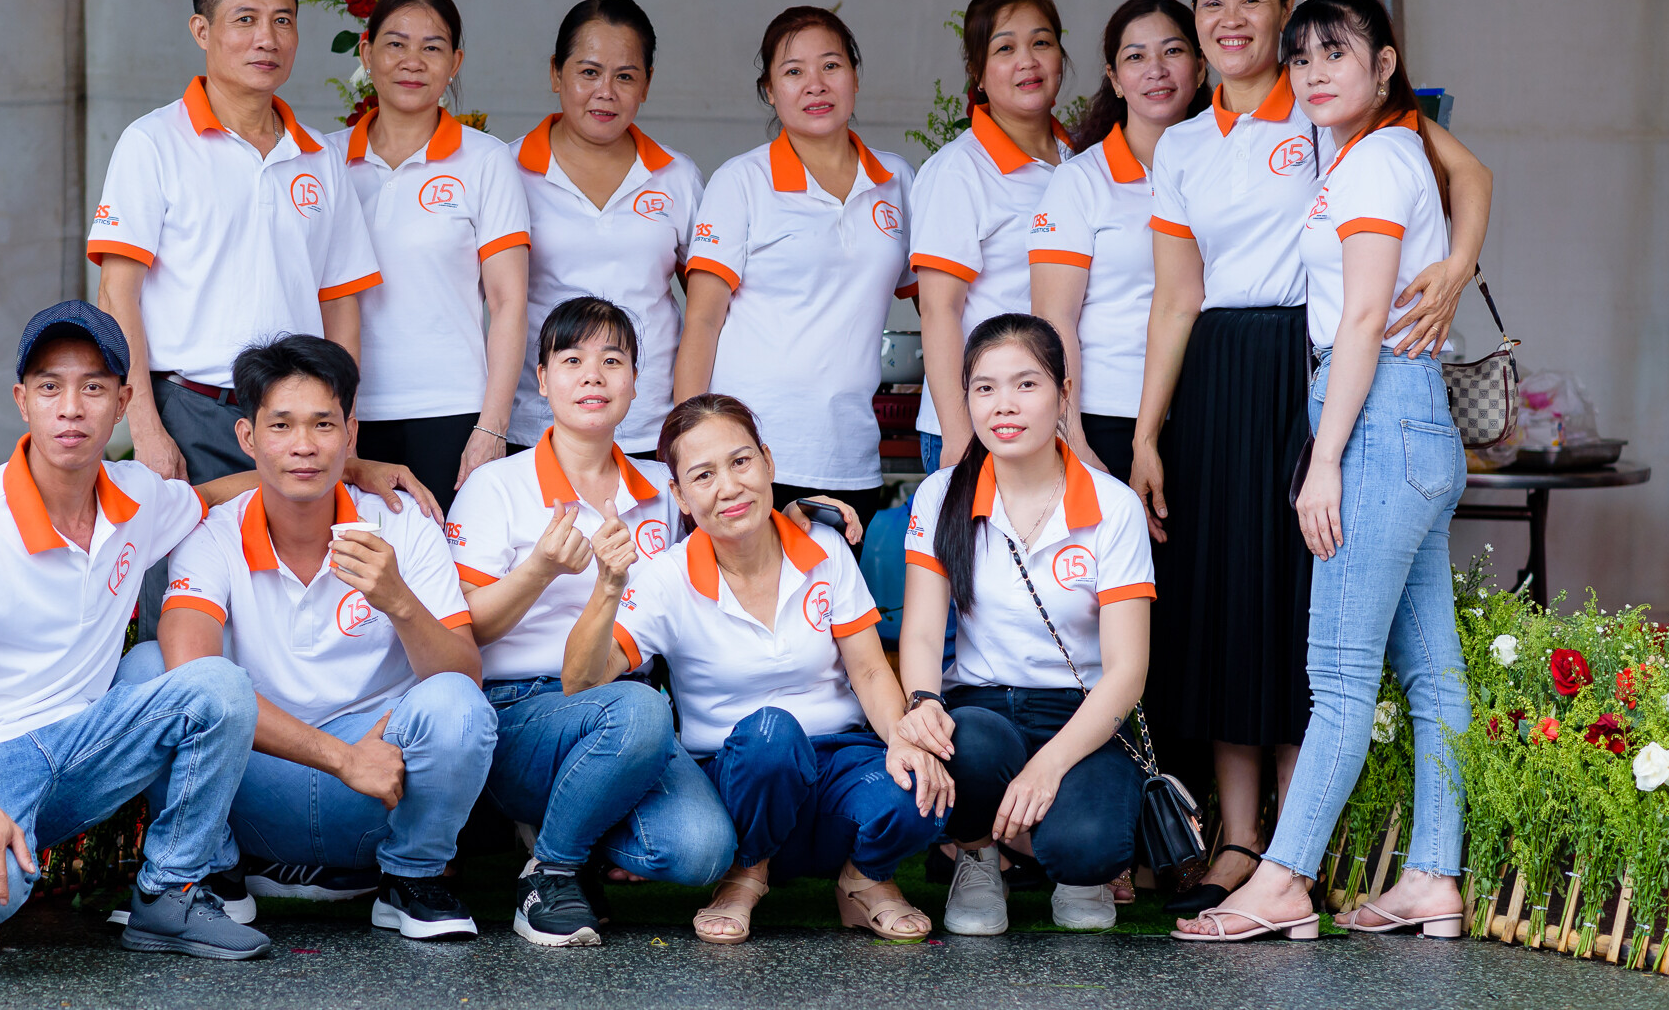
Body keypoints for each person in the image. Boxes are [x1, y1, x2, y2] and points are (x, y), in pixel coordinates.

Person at [1130, 0, 1490, 917]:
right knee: (1429, 671)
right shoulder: (1333, 142)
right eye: (1306, 57)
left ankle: (1280, 879)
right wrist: (1150, 433)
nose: (1314, 70)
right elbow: (1177, 293)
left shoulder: (1362, 142)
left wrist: (1456, 265)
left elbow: (1374, 302)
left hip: (1357, 400)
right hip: (1382, 407)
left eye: (1332, 51)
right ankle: (1433, 876)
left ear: (1379, 64)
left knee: (1334, 669)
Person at [0, 301, 269, 960]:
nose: (70, 408)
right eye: (49, 387)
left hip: (80, 746)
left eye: (92, 387)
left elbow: (213, 494)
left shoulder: (137, 497)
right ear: (22, 401)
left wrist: (348, 469)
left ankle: (168, 893)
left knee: (220, 688)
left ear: (122, 403)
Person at [91, 0, 431, 636]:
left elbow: (340, 304)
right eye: (244, 19)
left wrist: (344, 423)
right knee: (184, 610)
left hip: (295, 421)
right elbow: (116, 292)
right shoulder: (154, 143)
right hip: (191, 410)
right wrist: (147, 430)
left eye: (282, 21)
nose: (266, 39)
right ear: (202, 30)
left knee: (288, 606)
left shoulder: (318, 156)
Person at [123, 334, 496, 941]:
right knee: (148, 672)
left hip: (380, 791)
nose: (303, 445)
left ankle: (411, 877)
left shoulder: (402, 522)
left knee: (456, 703)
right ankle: (209, 873)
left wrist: (398, 600)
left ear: (351, 435)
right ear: (247, 438)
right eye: (281, 425)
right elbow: (192, 675)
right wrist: (343, 759)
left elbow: (465, 675)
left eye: (323, 424)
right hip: (251, 789)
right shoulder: (211, 532)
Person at [562, 395, 952, 945]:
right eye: (703, 475)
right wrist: (607, 587)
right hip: (739, 782)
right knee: (772, 735)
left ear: (768, 462)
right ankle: (745, 872)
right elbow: (581, 682)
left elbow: (868, 670)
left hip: (837, 765)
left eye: (741, 462)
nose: (729, 487)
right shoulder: (667, 577)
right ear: (680, 495)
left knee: (927, 777)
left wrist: (902, 740)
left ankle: (865, 878)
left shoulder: (823, 546)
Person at [448, 297, 736, 945]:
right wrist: (540, 569)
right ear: (542, 379)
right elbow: (461, 629)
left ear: (635, 380)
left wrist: (796, 515)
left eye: (612, 360)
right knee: (638, 710)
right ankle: (550, 873)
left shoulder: (666, 488)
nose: (593, 376)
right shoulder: (497, 485)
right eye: (572, 360)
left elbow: (741, 532)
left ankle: (566, 835)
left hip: (630, 711)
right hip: (520, 711)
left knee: (702, 849)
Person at [897, 314, 1154, 936]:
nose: (1004, 405)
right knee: (966, 748)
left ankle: (1075, 869)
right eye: (984, 388)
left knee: (1087, 846)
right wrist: (923, 700)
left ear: (1064, 395)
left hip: (1083, 713)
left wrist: (1049, 766)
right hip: (983, 705)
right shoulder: (941, 495)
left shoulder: (1113, 505)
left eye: (1026, 385)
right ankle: (977, 856)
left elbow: (1127, 671)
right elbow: (924, 632)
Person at [674, 6, 914, 530]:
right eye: (793, 71)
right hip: (745, 456)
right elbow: (702, 321)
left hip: (850, 454)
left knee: (836, 585)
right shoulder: (741, 181)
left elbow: (936, 304)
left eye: (831, 65)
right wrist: (690, 450)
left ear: (854, 76)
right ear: (769, 90)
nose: (815, 84)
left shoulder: (896, 180)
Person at [327, 0, 531, 510]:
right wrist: (330, 415)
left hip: (452, 412)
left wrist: (491, 426)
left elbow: (508, 302)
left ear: (455, 62)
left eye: (432, 47)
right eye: (396, 44)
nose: (412, 62)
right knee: (351, 554)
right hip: (339, 416)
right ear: (366, 52)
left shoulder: (485, 161)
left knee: (450, 558)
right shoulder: (324, 161)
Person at [510, 0, 703, 457]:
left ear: (646, 83)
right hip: (536, 423)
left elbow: (708, 311)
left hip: (650, 427)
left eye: (625, 77)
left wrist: (691, 422)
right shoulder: (507, 170)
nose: (606, 92)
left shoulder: (677, 176)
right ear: (556, 72)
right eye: (589, 72)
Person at [1029, 0, 1208, 483]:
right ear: (1114, 78)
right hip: (1110, 416)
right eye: (1135, 56)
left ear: (1200, 65)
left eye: (1173, 51)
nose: (1156, 70)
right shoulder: (1080, 181)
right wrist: (1072, 435)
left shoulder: (1225, 169)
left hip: (1209, 409)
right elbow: (1053, 318)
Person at [911, 0, 1075, 474]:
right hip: (982, 428)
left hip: (1051, 423)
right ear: (977, 73)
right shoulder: (959, 171)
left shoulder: (1079, 161)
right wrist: (961, 439)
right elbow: (938, 310)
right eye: (1005, 48)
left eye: (1041, 42)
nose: (1027, 61)